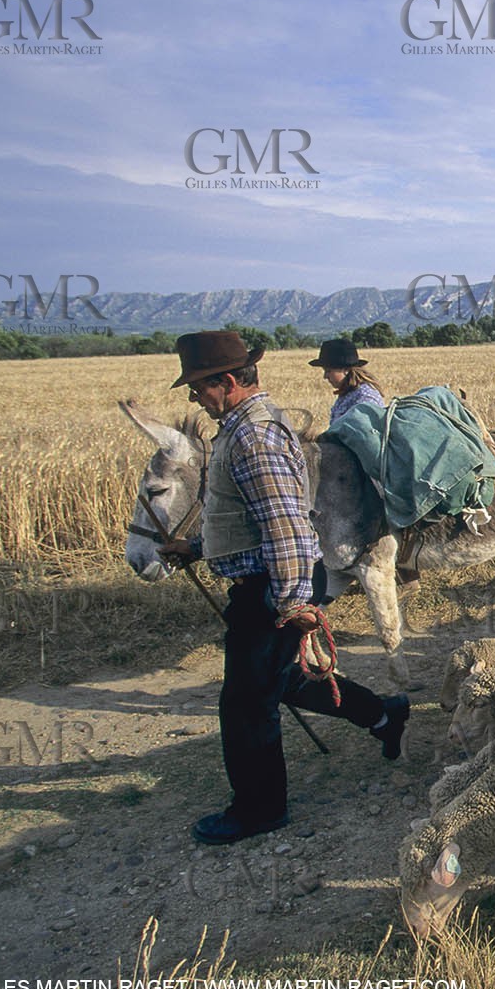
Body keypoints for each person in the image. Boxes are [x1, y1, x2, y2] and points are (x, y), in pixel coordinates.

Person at [158, 330, 408, 846]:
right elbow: (247, 519)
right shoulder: (242, 427)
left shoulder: (253, 436)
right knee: (284, 680)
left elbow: (287, 524)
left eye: (199, 387)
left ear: (228, 381)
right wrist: (201, 549)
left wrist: (293, 601)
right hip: (270, 580)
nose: (193, 397)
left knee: (246, 702)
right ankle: (384, 713)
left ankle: (260, 809)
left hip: (273, 587)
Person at [310, 337, 385, 423]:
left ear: (346, 370)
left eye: (328, 371)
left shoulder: (365, 398)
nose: (325, 376)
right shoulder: (348, 394)